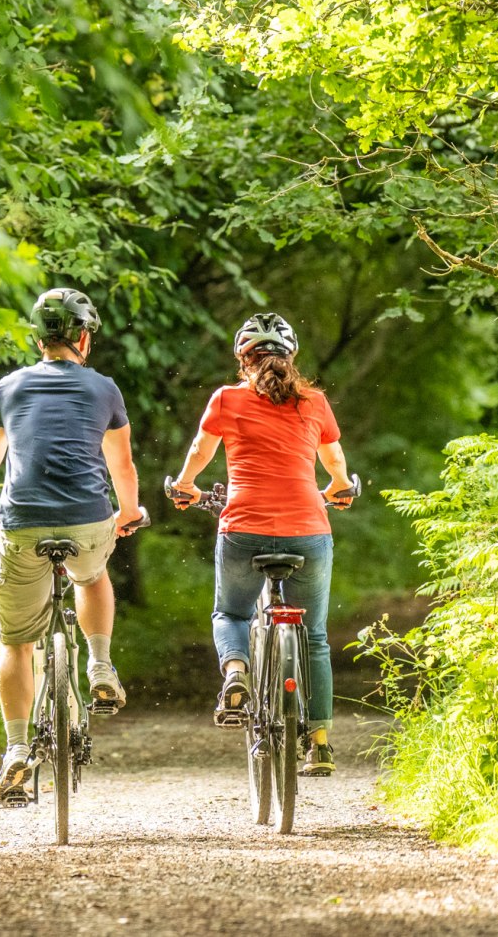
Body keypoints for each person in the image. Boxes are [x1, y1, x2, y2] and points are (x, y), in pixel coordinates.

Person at [0, 287, 143, 804]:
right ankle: (101, 665)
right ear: (84, 338)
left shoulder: (7, 388)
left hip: (21, 527)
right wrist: (128, 513)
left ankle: (17, 750)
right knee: (92, 574)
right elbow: (122, 467)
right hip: (87, 522)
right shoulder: (104, 388)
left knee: (17, 642)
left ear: (38, 339)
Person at [170, 311, 353, 777]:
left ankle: (236, 672)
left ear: (242, 359)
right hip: (308, 529)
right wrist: (339, 487)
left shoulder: (227, 399)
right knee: (313, 636)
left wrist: (186, 485)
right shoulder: (313, 401)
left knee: (230, 613)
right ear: (291, 357)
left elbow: (199, 451)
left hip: (244, 528)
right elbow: (334, 461)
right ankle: (321, 744)